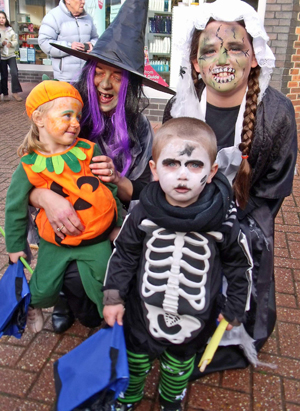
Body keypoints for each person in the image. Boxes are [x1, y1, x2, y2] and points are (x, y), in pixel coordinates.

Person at [163, 0, 298, 376]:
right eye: (209, 50)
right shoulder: (178, 109)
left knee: (238, 282)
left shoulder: (278, 113)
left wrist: (231, 227)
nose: (222, 57)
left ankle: (229, 336)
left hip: (242, 223)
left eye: (235, 47)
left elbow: (274, 186)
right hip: (187, 218)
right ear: (195, 64)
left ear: (254, 57)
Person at [30, 0, 175, 334]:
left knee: (101, 299)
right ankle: (65, 297)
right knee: (70, 275)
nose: (106, 85)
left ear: (131, 85)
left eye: (118, 77)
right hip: (60, 219)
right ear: (88, 72)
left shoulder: (139, 128)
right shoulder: (66, 113)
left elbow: (144, 190)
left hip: (111, 223)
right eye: (99, 72)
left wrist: (117, 180)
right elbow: (30, 169)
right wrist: (44, 198)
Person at [103, 117, 252, 411]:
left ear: (212, 172)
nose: (182, 175)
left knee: (179, 366)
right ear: (154, 170)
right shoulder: (143, 212)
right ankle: (129, 397)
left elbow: (239, 267)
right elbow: (124, 253)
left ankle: (171, 399)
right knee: (134, 361)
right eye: (171, 163)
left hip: (195, 317)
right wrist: (113, 295)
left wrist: (235, 307)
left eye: (194, 165)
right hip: (141, 313)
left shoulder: (224, 220)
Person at [4, 80, 123, 334]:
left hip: (96, 239)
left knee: (104, 281)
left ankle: (114, 327)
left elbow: (108, 190)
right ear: (39, 118)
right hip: (56, 243)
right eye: (67, 115)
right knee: (43, 286)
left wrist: (117, 224)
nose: (76, 122)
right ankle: (33, 306)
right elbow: (14, 209)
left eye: (77, 116)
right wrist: (16, 247)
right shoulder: (29, 165)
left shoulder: (88, 150)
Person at [38, 0, 98, 82]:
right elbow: (44, 42)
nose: (83, 2)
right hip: (65, 79)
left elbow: (95, 38)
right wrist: (69, 47)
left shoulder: (88, 18)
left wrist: (92, 45)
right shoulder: (53, 16)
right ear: (68, 1)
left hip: (86, 77)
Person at [0, 11, 23, 101]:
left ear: (6, 19)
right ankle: (5, 93)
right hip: (1, 56)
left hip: (11, 55)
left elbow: (15, 41)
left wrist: (11, 43)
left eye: (3, 18)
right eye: (0, 18)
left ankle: (15, 93)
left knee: (14, 73)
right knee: (3, 75)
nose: (1, 20)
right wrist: (2, 44)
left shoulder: (9, 29)